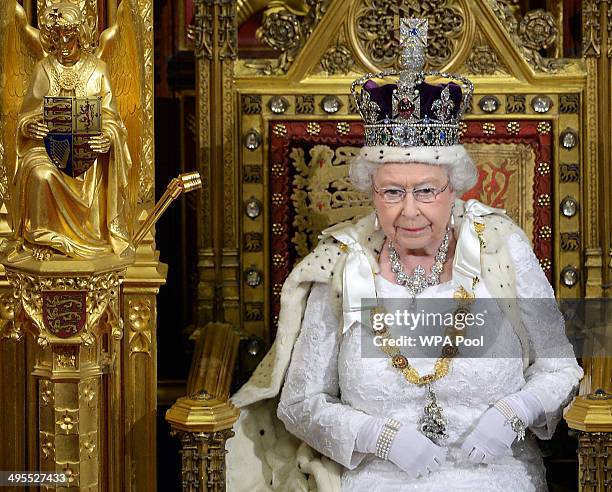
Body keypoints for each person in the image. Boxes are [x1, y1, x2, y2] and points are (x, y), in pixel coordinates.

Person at [226, 19, 582, 491]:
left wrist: (515, 412)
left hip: (495, 476)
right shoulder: (341, 263)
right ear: (370, 191)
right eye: (392, 191)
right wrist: (375, 435)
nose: (409, 211)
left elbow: (560, 369)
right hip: (375, 478)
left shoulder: (500, 247)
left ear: (454, 189)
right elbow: (298, 402)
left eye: (426, 191)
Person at [9, 1, 133, 260]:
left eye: (68, 36)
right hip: (46, 151)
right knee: (40, 174)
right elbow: (25, 116)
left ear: (79, 34)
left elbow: (112, 119)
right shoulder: (43, 69)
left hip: (88, 155)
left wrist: (107, 137)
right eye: (56, 37)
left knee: (93, 169)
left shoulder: (98, 70)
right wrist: (29, 126)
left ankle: (93, 237)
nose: (62, 43)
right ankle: (42, 239)